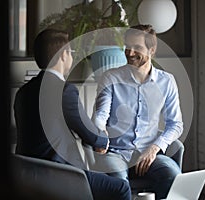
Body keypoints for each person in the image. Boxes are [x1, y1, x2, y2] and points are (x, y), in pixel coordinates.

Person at [14, 29, 131, 200]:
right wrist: (102, 139)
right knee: (121, 188)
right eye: (71, 52)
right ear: (63, 55)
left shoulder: (23, 92)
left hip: (27, 175)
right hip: (60, 175)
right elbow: (88, 132)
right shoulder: (64, 91)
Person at [93, 24, 183, 199]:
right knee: (118, 185)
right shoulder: (111, 77)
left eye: (137, 48)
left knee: (173, 175)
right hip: (116, 152)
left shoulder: (167, 82)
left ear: (152, 50)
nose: (130, 52)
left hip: (148, 152)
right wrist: (100, 132)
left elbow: (176, 124)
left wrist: (155, 148)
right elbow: (100, 116)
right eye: (128, 47)